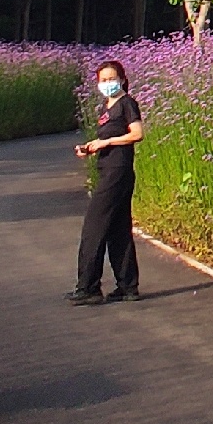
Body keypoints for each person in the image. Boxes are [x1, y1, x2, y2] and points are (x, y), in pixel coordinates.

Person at [70, 61, 146, 303]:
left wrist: (107, 142)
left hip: (117, 171)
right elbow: (107, 137)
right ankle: (127, 285)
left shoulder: (126, 103)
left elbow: (137, 134)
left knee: (94, 227)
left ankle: (88, 287)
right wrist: (91, 147)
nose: (107, 84)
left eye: (111, 79)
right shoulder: (107, 107)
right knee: (118, 229)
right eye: (102, 80)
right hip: (108, 169)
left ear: (122, 79)